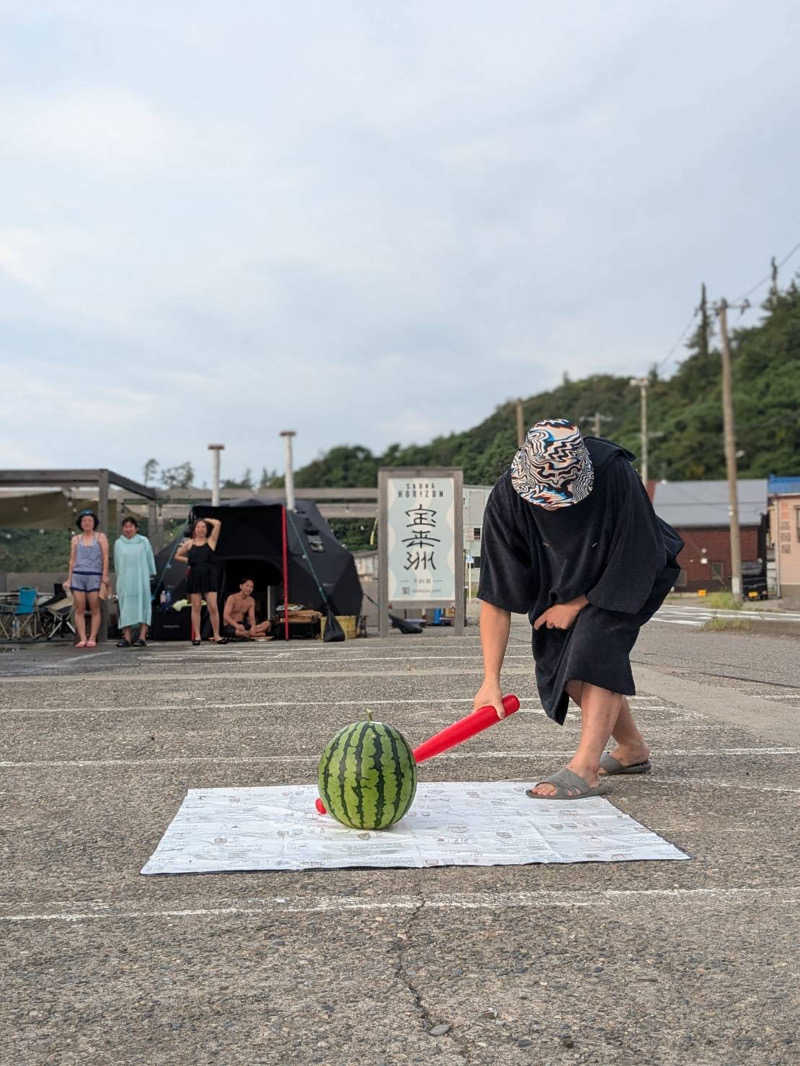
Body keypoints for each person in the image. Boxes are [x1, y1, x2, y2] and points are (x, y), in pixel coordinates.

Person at [473, 419, 683, 800]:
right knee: (564, 668)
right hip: (564, 580)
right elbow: (496, 595)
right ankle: (632, 750)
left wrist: (577, 604)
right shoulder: (506, 499)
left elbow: (636, 551)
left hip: (632, 570)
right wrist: (490, 678)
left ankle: (584, 769)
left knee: (595, 646)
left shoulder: (613, 471)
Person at [174, 517, 225, 644]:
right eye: (198, 527)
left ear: (207, 529)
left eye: (203, 527)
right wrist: (188, 561)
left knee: (213, 607)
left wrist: (205, 519)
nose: (200, 529)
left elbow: (218, 523)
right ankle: (197, 636)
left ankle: (217, 635)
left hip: (209, 576)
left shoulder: (211, 541)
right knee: (196, 607)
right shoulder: (189, 543)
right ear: (194, 529)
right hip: (195, 576)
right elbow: (177, 555)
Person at [66, 509, 110, 649]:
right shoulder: (76, 539)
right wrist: (69, 579)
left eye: (90, 520)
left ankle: (92, 638)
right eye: (84, 520)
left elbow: (105, 557)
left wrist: (105, 576)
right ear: (80, 523)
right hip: (78, 575)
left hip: (94, 575)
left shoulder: (101, 537)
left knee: (95, 607)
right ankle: (83, 638)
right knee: (79, 608)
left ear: (94, 522)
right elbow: (72, 560)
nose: (87, 523)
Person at [113, 516, 156, 647]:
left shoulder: (144, 541)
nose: (128, 529)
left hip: (141, 579)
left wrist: (151, 575)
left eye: (131, 526)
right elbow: (117, 563)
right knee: (125, 607)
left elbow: (149, 559)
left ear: (136, 528)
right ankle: (127, 637)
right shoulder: (118, 543)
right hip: (125, 580)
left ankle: (142, 637)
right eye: (125, 526)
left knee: (143, 605)